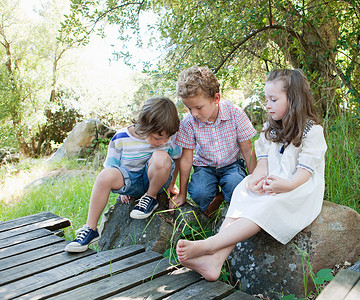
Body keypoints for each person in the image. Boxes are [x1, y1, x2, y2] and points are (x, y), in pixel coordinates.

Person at [175, 69, 327, 281]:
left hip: (298, 188)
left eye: (273, 99)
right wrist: (257, 178)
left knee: (267, 205)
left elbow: (304, 173)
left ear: (294, 100)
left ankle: (211, 245)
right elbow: (263, 162)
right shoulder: (271, 127)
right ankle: (215, 261)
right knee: (242, 190)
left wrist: (287, 185)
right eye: (267, 99)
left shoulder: (312, 132)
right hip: (275, 180)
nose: (267, 105)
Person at [65, 97, 181, 253]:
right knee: (104, 175)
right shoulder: (121, 138)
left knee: (161, 157)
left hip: (156, 181)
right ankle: (91, 229)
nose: (164, 141)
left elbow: (176, 159)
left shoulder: (166, 139)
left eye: (167, 137)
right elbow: (113, 167)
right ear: (143, 126)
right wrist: (122, 190)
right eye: (158, 138)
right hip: (131, 181)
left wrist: (172, 184)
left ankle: (150, 198)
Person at [171, 66, 257, 216]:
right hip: (205, 167)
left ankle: (226, 198)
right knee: (199, 192)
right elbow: (186, 160)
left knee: (235, 185)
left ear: (216, 98)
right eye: (189, 108)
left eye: (198, 107)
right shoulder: (189, 123)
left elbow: (248, 149)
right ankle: (214, 199)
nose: (194, 113)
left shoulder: (234, 113)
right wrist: (182, 193)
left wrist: (256, 181)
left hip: (231, 165)